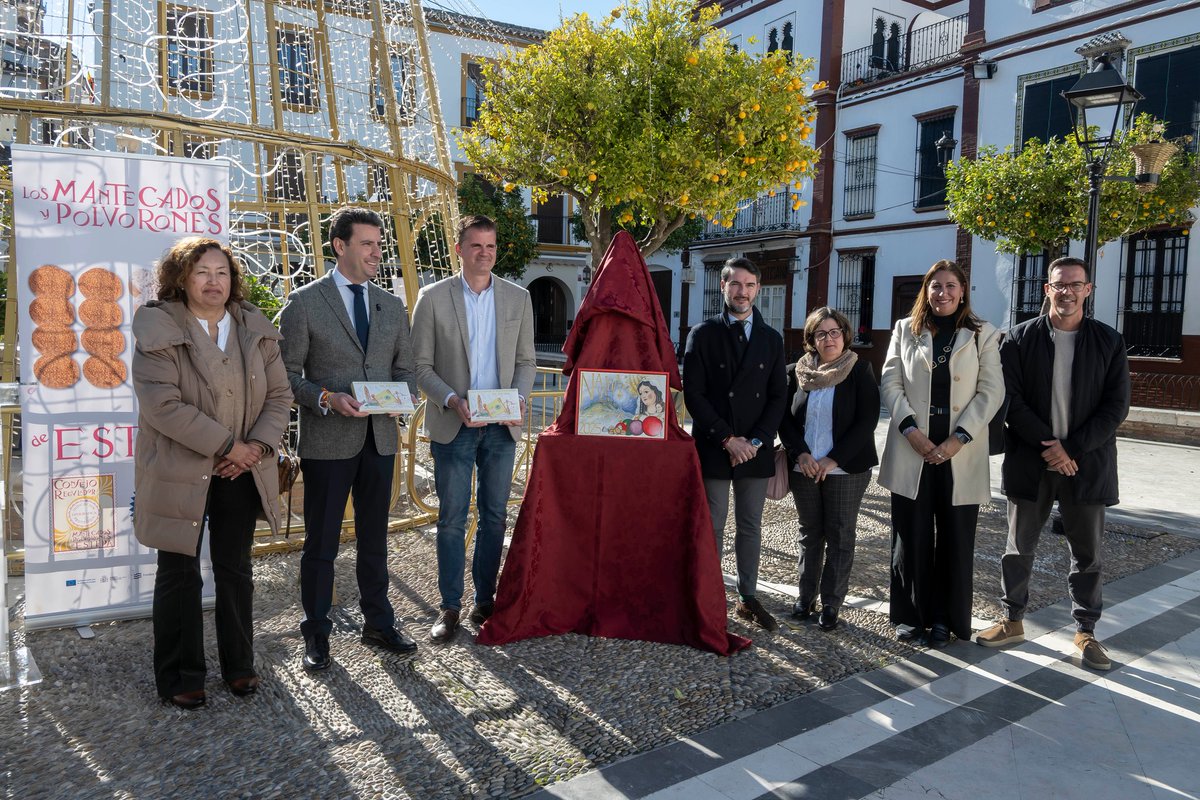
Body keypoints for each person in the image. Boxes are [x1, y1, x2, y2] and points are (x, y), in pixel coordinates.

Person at [132, 237, 292, 708]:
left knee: (236, 569)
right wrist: (228, 446)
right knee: (179, 573)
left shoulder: (253, 328)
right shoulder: (159, 328)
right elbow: (162, 405)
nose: (213, 281)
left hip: (241, 470)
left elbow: (279, 396)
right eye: (202, 272)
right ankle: (181, 676)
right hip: (178, 469)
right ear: (181, 278)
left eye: (222, 272)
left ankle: (240, 665)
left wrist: (254, 448)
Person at [278, 206, 419, 672]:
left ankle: (378, 623)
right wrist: (324, 398)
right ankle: (316, 634)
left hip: (380, 441)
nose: (377, 252)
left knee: (375, 539)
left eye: (380, 244)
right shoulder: (304, 303)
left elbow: (406, 370)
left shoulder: (391, 306)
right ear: (340, 246)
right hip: (327, 442)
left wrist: (403, 398)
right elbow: (285, 375)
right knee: (321, 543)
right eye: (367, 244)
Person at [976, 257, 1130, 671]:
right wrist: (1050, 447)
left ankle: (1086, 631)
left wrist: (1071, 449)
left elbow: (1116, 406)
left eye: (1075, 285)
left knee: (1088, 554)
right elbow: (1010, 399)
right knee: (1017, 547)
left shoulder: (1109, 341)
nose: (1067, 292)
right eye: (1059, 284)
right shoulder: (1019, 339)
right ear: (1047, 289)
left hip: (1086, 464)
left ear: (1088, 290)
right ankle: (1012, 620)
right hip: (1031, 461)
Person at [412, 214, 536, 644]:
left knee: (495, 516)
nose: (484, 253)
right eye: (476, 245)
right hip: (455, 423)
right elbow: (420, 366)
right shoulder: (432, 297)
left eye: (491, 246)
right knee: (451, 518)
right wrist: (452, 399)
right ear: (459, 249)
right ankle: (449, 606)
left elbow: (526, 361)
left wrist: (520, 400)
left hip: (501, 427)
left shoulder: (518, 298)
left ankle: (485, 601)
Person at [878, 259, 1004, 648]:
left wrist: (959, 438)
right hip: (912, 449)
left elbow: (991, 391)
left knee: (955, 540)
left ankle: (944, 619)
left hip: (959, 453)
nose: (943, 293)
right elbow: (890, 381)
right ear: (926, 291)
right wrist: (910, 430)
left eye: (951, 286)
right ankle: (910, 616)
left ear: (963, 291)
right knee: (911, 536)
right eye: (936, 286)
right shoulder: (905, 329)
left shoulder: (983, 334)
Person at [683, 257, 786, 631]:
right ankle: (709, 599)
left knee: (750, 525)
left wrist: (755, 441)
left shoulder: (771, 339)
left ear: (757, 289)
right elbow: (694, 395)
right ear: (723, 286)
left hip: (754, 449)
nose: (743, 292)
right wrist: (727, 438)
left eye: (749, 285)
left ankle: (747, 597)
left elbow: (778, 396)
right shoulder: (703, 334)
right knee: (712, 525)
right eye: (736, 284)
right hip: (716, 444)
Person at [778, 307, 880, 632]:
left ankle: (831, 603)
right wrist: (801, 454)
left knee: (840, 534)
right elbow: (784, 419)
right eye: (821, 333)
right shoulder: (796, 373)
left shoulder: (859, 370)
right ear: (811, 339)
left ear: (845, 335)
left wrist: (833, 459)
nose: (829, 338)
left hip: (845, 468)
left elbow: (866, 421)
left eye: (834, 332)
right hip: (804, 467)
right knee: (810, 534)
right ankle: (804, 598)